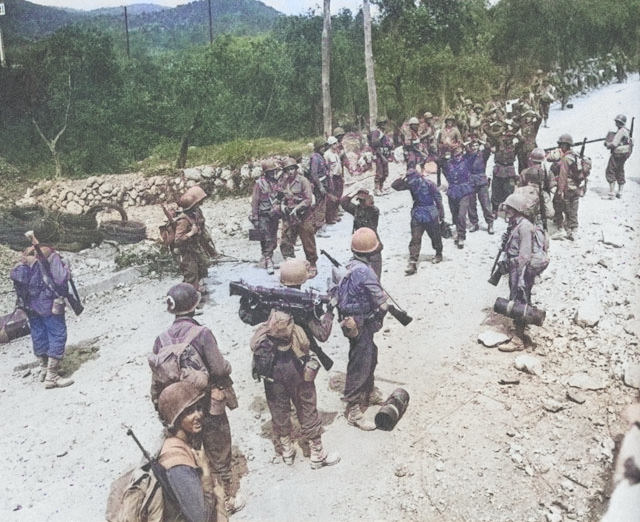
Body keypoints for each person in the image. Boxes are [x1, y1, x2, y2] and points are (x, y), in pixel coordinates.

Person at [151, 283, 244, 516]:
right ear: (194, 304)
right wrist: (228, 366)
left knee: (193, 446)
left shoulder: (161, 339)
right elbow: (219, 368)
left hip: (180, 407)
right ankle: (227, 496)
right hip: (206, 401)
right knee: (219, 444)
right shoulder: (201, 333)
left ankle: (200, 491)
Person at [249, 259, 340, 469]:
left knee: (277, 404)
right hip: (297, 365)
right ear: (302, 279)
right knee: (306, 403)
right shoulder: (304, 304)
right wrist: (329, 312)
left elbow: (248, 316)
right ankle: (317, 454)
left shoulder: (270, 301)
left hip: (271, 363)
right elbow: (322, 334)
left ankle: (287, 451)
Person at [334, 228, 389, 431]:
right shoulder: (366, 271)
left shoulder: (346, 267)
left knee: (370, 354)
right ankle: (353, 409)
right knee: (360, 362)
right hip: (361, 322)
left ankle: (369, 391)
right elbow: (382, 304)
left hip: (349, 321)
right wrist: (378, 318)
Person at [10, 219, 73, 389]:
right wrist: (67, 270)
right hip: (48, 303)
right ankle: (52, 377)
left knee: (38, 333)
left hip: (29, 304)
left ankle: (43, 368)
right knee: (57, 334)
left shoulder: (27, 253)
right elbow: (59, 279)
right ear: (53, 235)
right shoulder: (50, 254)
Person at [157, 381, 222, 522]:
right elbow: (201, 518)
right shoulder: (178, 462)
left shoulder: (178, 443)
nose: (198, 415)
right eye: (189, 411)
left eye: (198, 408)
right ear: (176, 417)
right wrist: (205, 473)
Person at [502, 193, 549, 331]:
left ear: (517, 210)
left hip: (520, 267)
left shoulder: (525, 227)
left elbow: (524, 254)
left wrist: (519, 276)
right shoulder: (516, 224)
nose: (507, 211)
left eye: (510, 209)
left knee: (519, 297)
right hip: (515, 266)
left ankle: (519, 336)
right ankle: (522, 326)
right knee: (520, 296)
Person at [391, 167, 444, 275]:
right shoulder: (411, 183)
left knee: (435, 236)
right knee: (415, 238)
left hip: (430, 213)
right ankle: (412, 262)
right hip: (417, 213)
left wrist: (441, 215)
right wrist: (402, 178)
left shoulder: (429, 184)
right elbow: (395, 186)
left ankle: (438, 253)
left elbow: (438, 200)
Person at [174, 186, 217, 299]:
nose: (198, 206)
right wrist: (191, 233)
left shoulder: (194, 215)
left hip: (195, 249)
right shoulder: (183, 220)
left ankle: (195, 291)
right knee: (191, 276)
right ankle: (190, 303)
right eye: (196, 205)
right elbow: (178, 240)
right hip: (187, 253)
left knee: (201, 269)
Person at [279, 157, 319, 278]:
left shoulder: (303, 181)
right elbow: (279, 197)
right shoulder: (283, 183)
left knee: (307, 238)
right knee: (286, 240)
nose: (290, 172)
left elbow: (308, 199)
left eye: (292, 169)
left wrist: (298, 208)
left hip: (303, 215)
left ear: (296, 169)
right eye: (288, 170)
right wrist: (282, 206)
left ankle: (312, 264)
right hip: (289, 215)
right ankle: (291, 264)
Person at [340, 189, 383, 280]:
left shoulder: (374, 211)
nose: (361, 203)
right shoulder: (356, 210)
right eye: (360, 200)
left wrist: (368, 197)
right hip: (359, 244)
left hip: (372, 243)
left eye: (363, 201)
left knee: (375, 275)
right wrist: (354, 192)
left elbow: (370, 205)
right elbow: (343, 202)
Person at [249, 159, 282, 275]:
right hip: (263, 214)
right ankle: (268, 259)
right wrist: (255, 217)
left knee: (273, 237)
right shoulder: (259, 183)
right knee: (266, 238)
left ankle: (269, 257)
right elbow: (255, 201)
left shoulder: (276, 182)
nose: (272, 173)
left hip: (274, 214)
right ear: (265, 172)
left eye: (273, 171)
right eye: (270, 171)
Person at [483, 120, 523, 214]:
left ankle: (508, 210)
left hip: (509, 170)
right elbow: (488, 131)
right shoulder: (499, 143)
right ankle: (495, 209)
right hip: (499, 169)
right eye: (506, 136)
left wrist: (515, 132)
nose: (508, 138)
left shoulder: (515, 146)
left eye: (510, 136)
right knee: (496, 191)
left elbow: (523, 140)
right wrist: (500, 131)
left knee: (509, 191)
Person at [440, 145, 474, 249]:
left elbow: (472, 154)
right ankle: (457, 232)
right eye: (456, 155)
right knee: (455, 215)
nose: (458, 157)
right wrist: (444, 152)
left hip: (464, 191)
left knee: (461, 215)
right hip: (453, 192)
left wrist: (465, 145)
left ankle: (461, 236)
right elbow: (439, 161)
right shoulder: (448, 164)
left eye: (459, 154)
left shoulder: (466, 162)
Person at [551, 133, 582, 240]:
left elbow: (563, 176)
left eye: (561, 146)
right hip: (576, 187)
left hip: (567, 187)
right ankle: (574, 230)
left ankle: (564, 230)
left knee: (563, 206)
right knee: (574, 209)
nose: (560, 148)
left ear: (564, 146)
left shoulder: (565, 159)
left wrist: (560, 191)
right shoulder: (576, 156)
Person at [465, 138, 494, 235]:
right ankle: (474, 223)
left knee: (486, 204)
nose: (475, 147)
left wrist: (481, 141)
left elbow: (488, 147)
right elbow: (460, 147)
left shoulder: (483, 155)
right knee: (471, 204)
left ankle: (490, 223)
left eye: (476, 145)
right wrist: (468, 143)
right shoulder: (467, 156)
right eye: (473, 146)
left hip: (481, 180)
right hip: (470, 181)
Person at [604, 114, 632, 199]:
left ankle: (612, 193)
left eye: (617, 121)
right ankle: (620, 192)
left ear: (619, 122)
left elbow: (614, 144)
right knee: (620, 170)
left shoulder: (621, 131)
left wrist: (607, 144)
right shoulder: (626, 130)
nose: (616, 123)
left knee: (610, 170)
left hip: (617, 154)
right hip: (624, 154)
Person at [369, 117, 393, 195]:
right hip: (379, 155)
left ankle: (381, 188)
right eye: (382, 123)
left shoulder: (384, 133)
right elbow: (374, 143)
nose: (384, 125)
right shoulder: (376, 133)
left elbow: (387, 144)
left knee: (385, 173)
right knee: (379, 173)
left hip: (385, 154)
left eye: (384, 123)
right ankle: (376, 189)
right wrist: (380, 137)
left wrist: (390, 144)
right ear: (379, 124)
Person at [324, 136, 344, 224]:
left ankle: (335, 213)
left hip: (338, 176)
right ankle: (330, 216)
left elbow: (339, 165)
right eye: (334, 144)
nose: (336, 145)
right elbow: (325, 167)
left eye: (336, 143)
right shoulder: (327, 154)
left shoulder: (336, 154)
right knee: (332, 197)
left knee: (339, 195)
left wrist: (342, 175)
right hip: (332, 178)